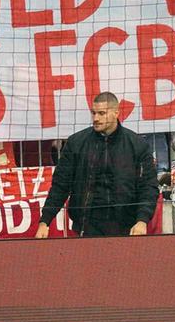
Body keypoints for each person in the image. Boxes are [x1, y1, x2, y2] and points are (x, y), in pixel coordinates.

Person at [36, 92, 159, 237]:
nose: (96, 118)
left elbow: (148, 187)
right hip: (87, 226)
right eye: (93, 113)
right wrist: (45, 221)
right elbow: (60, 186)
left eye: (101, 113)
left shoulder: (137, 146)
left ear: (116, 113)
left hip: (126, 227)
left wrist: (142, 221)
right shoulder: (76, 144)